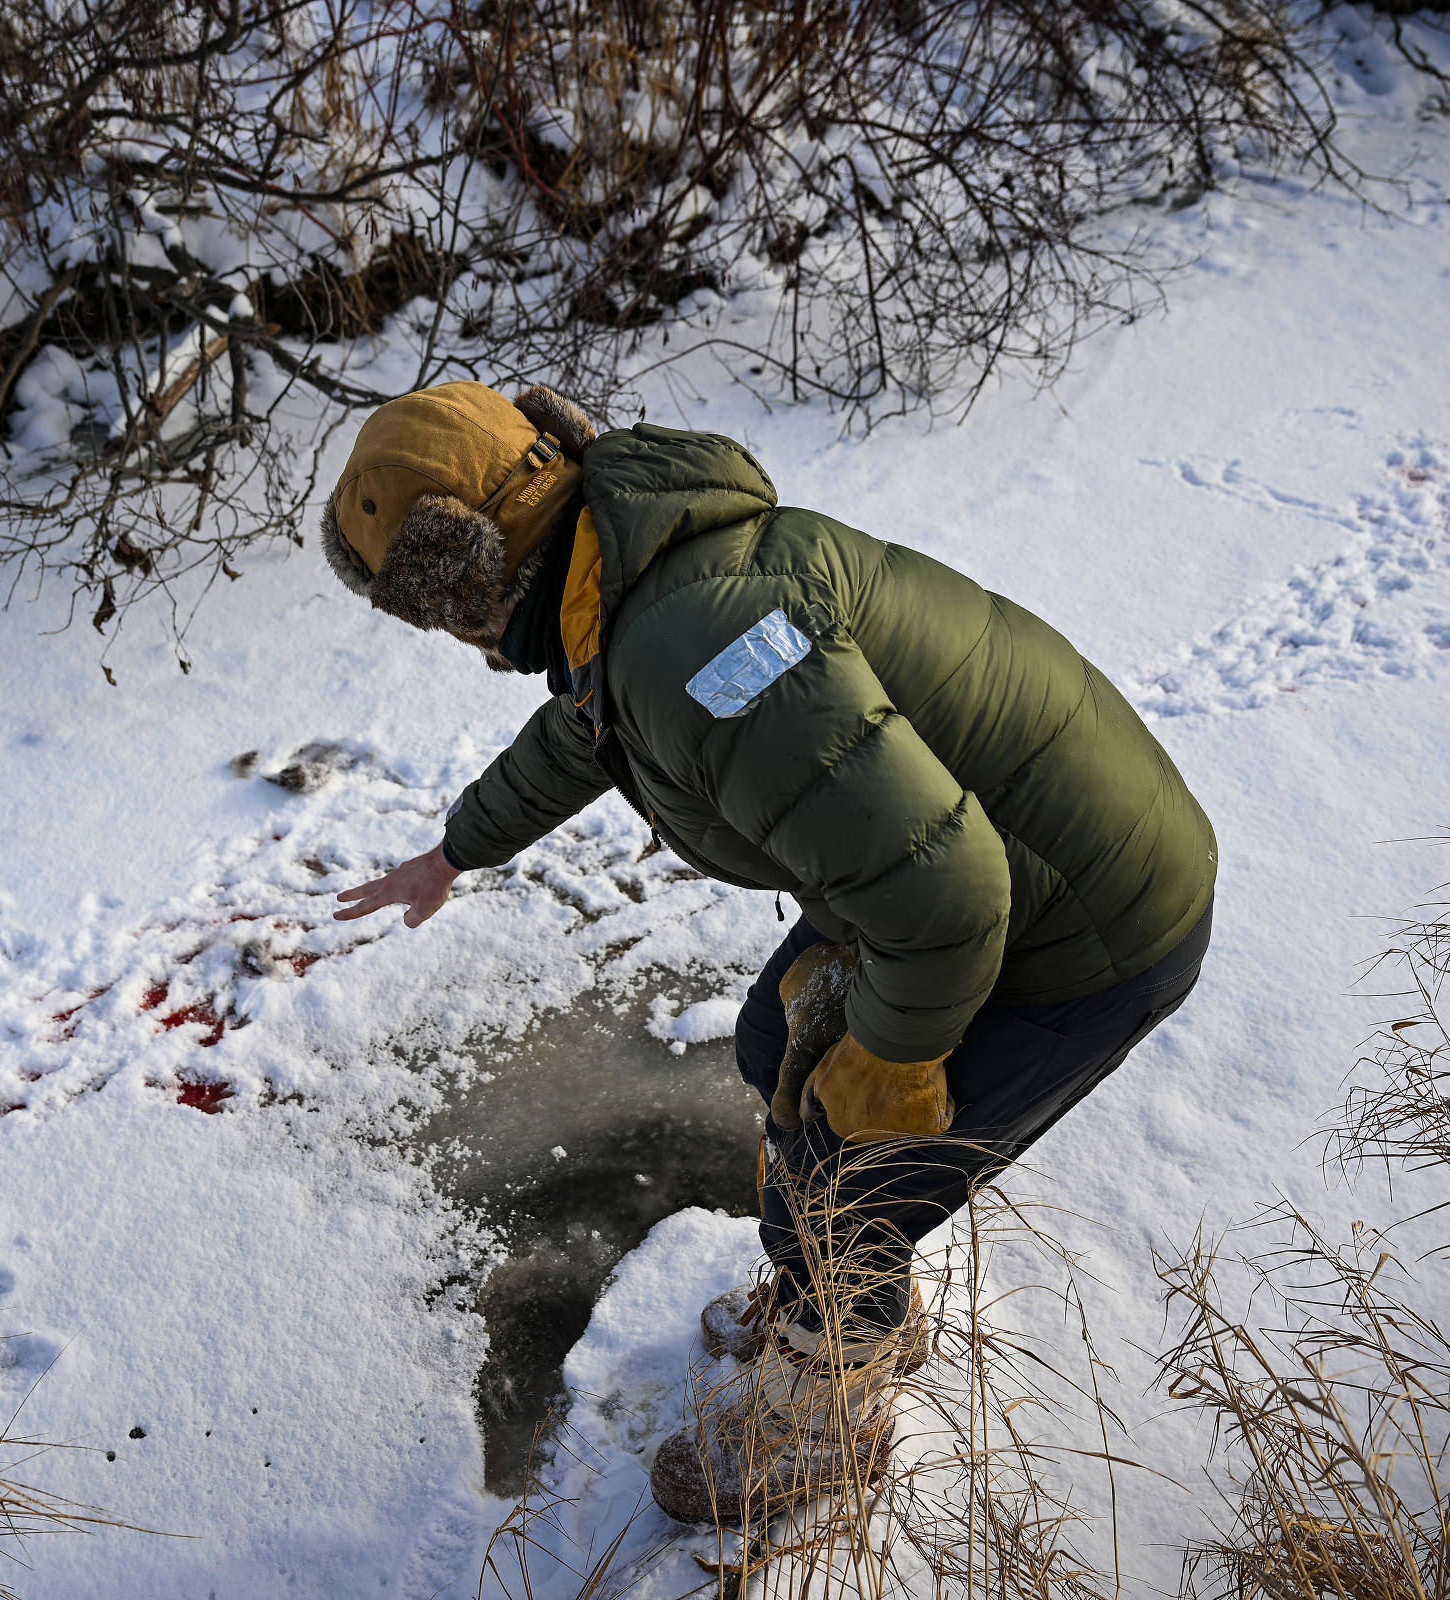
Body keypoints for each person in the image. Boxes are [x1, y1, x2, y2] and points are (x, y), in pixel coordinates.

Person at [324, 380, 1216, 1527]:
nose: (460, 644)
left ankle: (826, 1411)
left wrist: (895, 1067)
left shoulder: (691, 640)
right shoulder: (630, 562)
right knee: (771, 1043)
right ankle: (850, 1309)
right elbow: (593, 725)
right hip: (980, 855)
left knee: (850, 1173)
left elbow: (950, 896)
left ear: (474, 579)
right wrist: (457, 848)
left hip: (1083, 918)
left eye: (441, 616)